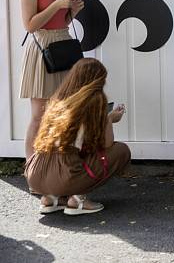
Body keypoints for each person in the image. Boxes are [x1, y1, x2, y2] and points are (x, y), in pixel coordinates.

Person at [24, 58, 131, 215]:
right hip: (65, 172)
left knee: (71, 150)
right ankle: (77, 199)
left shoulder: (58, 99)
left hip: (36, 174)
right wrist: (109, 119)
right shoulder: (94, 99)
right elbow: (107, 145)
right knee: (121, 151)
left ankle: (51, 198)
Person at [19, 0, 85, 160]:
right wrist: (57, 4)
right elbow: (30, 25)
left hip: (62, 44)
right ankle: (32, 165)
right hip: (42, 48)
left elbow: (61, 23)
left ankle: (54, 167)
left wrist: (72, 11)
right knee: (39, 114)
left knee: (63, 110)